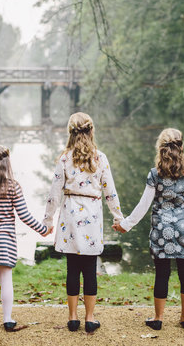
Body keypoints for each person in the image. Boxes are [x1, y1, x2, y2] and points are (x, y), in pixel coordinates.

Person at [113, 128, 184, 330]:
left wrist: (126, 225)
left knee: (162, 274)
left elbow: (143, 205)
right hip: (183, 230)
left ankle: (158, 318)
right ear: (181, 146)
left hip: (161, 231)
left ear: (160, 148)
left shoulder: (155, 174)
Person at [43, 112, 124, 333]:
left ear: (70, 132)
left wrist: (48, 219)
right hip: (91, 218)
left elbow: (54, 193)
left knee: (72, 269)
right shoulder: (100, 158)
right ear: (91, 131)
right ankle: (89, 318)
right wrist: (119, 218)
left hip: (69, 217)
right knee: (89, 269)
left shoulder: (64, 158)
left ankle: (72, 317)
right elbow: (110, 193)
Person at [0, 145, 51, 331]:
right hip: (6, 240)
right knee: (6, 278)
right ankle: (7, 319)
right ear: (7, 163)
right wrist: (42, 229)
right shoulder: (13, 186)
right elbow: (24, 215)